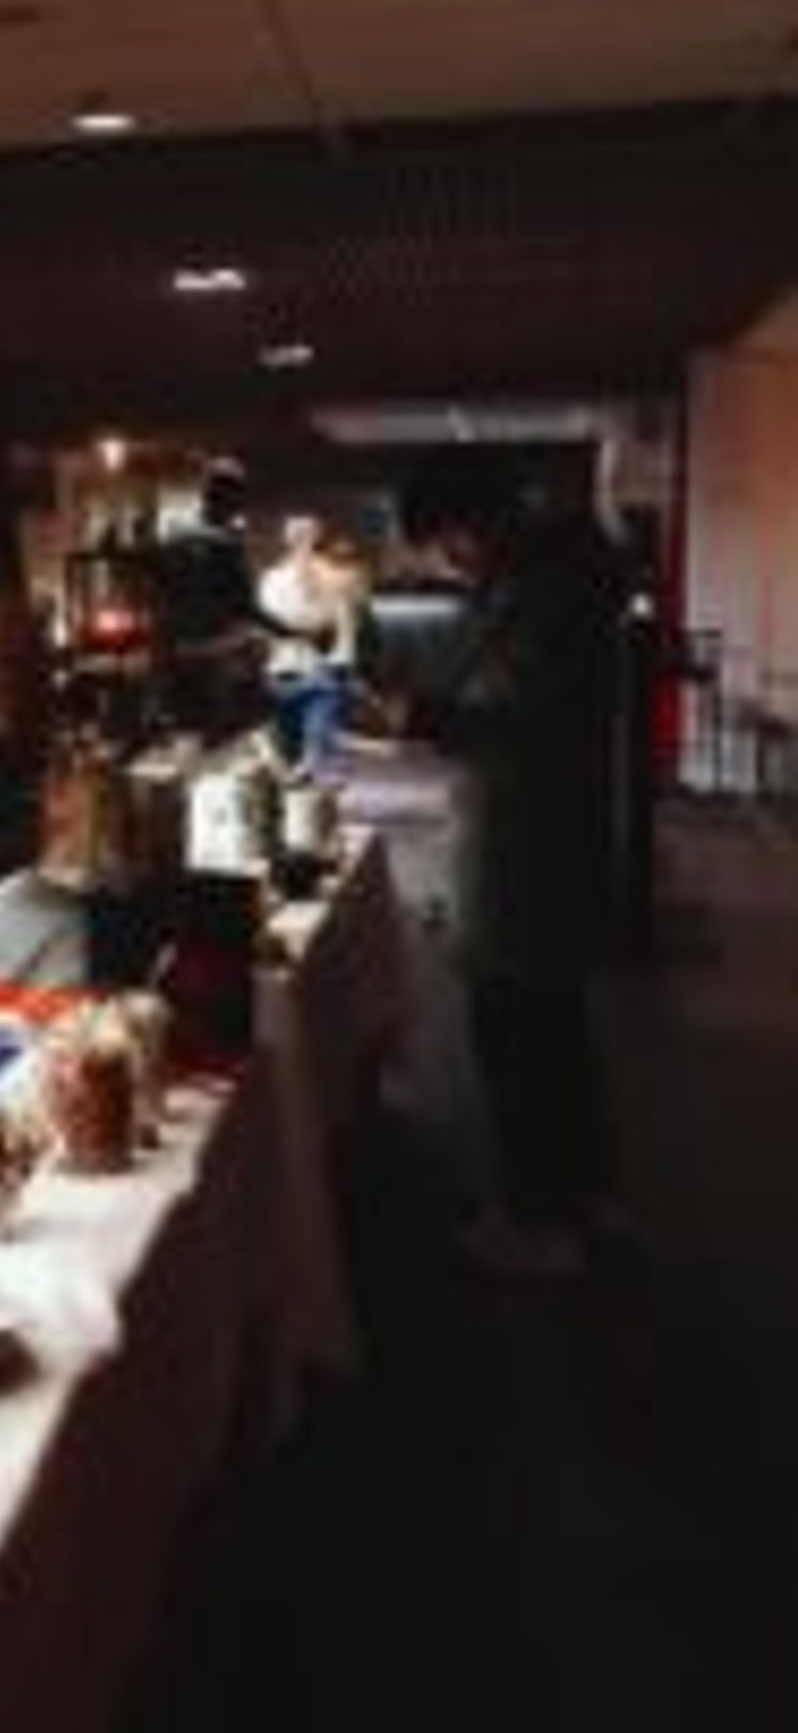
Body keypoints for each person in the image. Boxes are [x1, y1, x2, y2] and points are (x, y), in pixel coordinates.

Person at [393, 450, 629, 1278]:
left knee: (515, 1036)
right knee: (556, 1030)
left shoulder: (542, 594)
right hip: (547, 836)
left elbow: (523, 726)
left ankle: (540, 1224)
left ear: (477, 524)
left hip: (528, 843)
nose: (454, 565)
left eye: (449, 546)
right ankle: (590, 1197)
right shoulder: (561, 576)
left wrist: (422, 715)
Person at [150, 458, 267, 740]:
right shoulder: (225, 543)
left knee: (187, 730)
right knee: (230, 728)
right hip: (214, 653)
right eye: (237, 496)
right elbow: (246, 606)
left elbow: (161, 592)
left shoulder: (175, 534)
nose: (239, 504)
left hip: (179, 650)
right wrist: (294, 632)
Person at [257, 512, 361, 776]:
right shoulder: (272, 578)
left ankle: (314, 800)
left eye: (306, 534)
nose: (301, 540)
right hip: (283, 674)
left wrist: (343, 665)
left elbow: (341, 624)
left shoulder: (334, 578)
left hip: (317, 673)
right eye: (297, 535)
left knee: (314, 754)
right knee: (293, 756)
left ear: (316, 537)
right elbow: (265, 627)